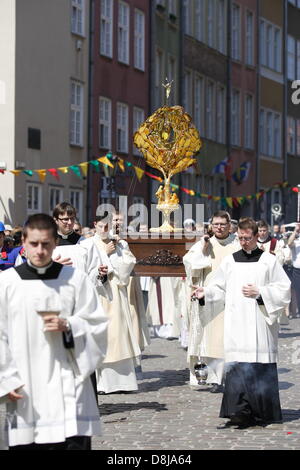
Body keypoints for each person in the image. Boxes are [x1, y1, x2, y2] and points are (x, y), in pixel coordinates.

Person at [0, 214, 108, 450]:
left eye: (46, 244)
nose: (40, 251)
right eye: (34, 244)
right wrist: (6, 379)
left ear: (55, 244)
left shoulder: (75, 280)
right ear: (23, 243)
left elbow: (97, 325)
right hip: (25, 387)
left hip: (69, 386)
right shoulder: (6, 283)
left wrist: (69, 325)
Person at [192, 217, 291, 428]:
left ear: (256, 237)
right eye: (240, 238)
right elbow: (219, 288)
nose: (243, 242)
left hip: (259, 324)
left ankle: (262, 412)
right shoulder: (230, 261)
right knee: (237, 365)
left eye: (247, 238)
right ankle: (238, 411)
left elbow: (283, 290)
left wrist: (261, 292)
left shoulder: (268, 261)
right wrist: (205, 293)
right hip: (236, 323)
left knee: (257, 363)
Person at [183, 210, 240, 393]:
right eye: (216, 224)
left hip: (231, 297)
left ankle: (230, 376)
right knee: (212, 337)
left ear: (229, 225)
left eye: (223, 224)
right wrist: (202, 251)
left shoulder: (237, 243)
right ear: (211, 225)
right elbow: (189, 264)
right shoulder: (205, 243)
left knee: (228, 337)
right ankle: (214, 378)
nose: (219, 227)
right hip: (207, 296)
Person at [92, 213, 141, 394]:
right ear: (95, 224)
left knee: (118, 334)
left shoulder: (121, 243)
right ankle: (101, 383)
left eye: (108, 225)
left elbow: (128, 265)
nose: (105, 229)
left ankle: (121, 382)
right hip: (98, 294)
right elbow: (87, 268)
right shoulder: (88, 244)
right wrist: (106, 255)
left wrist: (117, 252)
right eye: (102, 226)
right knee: (103, 335)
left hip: (116, 292)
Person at [288, 222, 300, 317]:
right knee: (298, 294)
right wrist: (295, 231)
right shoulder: (295, 242)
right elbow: (289, 243)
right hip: (297, 271)